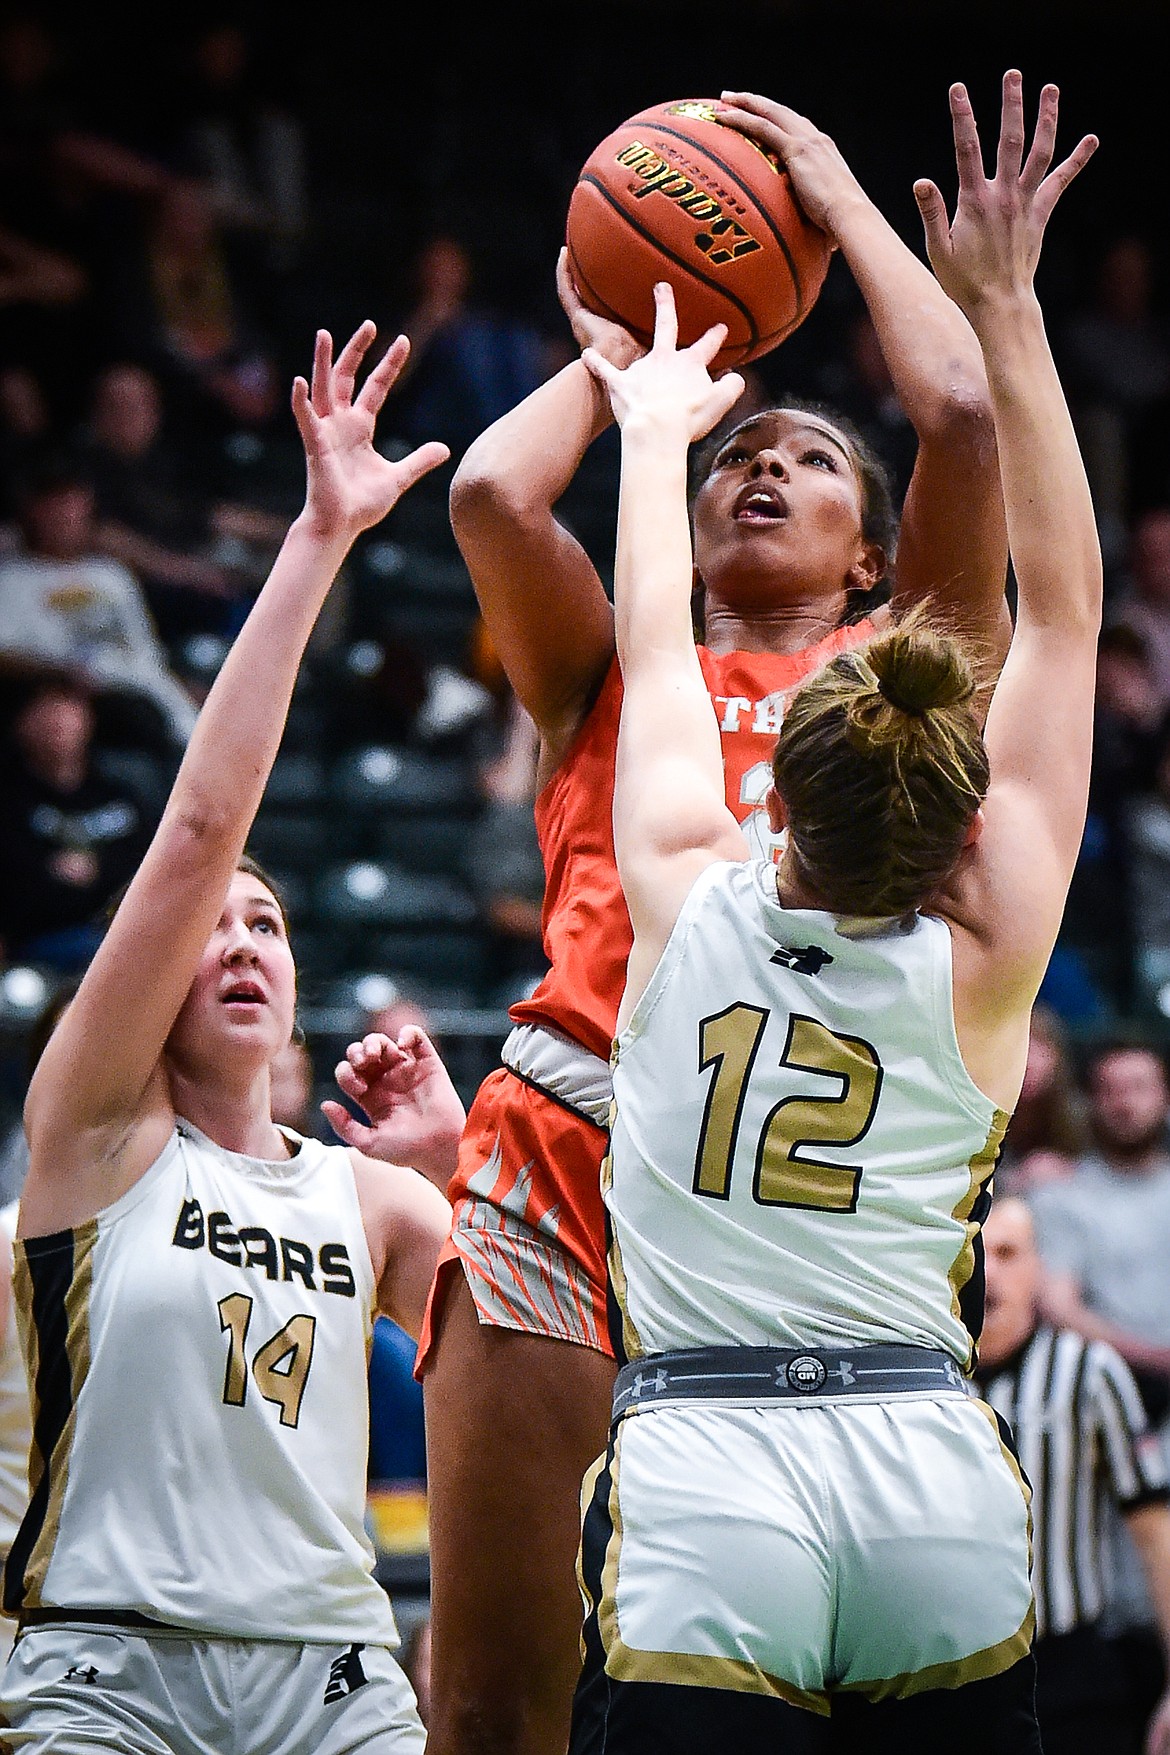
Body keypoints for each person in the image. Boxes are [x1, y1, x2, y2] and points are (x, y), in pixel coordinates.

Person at [425, 84, 1015, 1755]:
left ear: (871, 545)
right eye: (739, 454)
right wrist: (638, 361)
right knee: (494, 1706)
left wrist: (824, 189)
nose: (765, 467)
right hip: (572, 1129)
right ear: (679, 509)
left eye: (811, 458)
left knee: (773, 1695)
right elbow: (487, 497)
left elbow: (964, 415)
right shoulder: (613, 664)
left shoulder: (917, 669)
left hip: (793, 1204)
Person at [570, 70, 1098, 1752]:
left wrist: (656, 433)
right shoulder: (986, 947)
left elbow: (653, 645)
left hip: (710, 1474)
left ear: (768, 794)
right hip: (928, 1475)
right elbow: (1069, 617)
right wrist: (1008, 308)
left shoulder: (684, 891)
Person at [0, 318, 462, 1754]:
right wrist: (320, 537)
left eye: (268, 924)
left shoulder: (372, 1199)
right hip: (104, 1669)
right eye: (215, 923)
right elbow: (205, 825)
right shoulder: (91, 1137)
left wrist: (452, 1171)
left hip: (334, 1677)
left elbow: (534, 1411)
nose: (242, 937)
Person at [975, 1197, 1170, 1755]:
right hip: (951, 1674)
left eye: (1009, 1254)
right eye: (977, 1253)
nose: (990, 1272)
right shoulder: (925, 1378)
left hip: (1071, 1668)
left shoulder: (1088, 1370)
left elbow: (1155, 1533)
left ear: (1039, 1268)